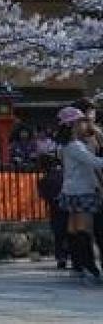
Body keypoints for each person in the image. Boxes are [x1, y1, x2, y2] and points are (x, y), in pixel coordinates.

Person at [56, 106, 103, 283]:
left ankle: (79, 267)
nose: (85, 125)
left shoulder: (66, 146)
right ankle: (89, 267)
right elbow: (95, 162)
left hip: (71, 190)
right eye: (81, 122)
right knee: (84, 230)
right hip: (83, 190)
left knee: (75, 229)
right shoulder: (75, 146)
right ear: (73, 125)